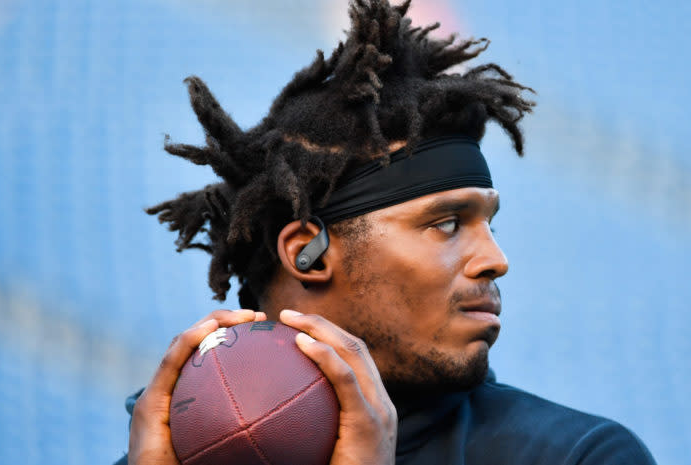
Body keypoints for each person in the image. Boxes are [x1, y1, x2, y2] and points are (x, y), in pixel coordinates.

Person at [116, 1, 656, 463]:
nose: (495, 259)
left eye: (487, 223)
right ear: (308, 253)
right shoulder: (162, 453)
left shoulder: (577, 454)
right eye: (446, 224)